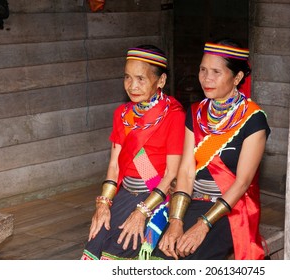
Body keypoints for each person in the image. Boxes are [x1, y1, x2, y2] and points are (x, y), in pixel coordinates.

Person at [153, 39, 271, 260]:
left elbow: (242, 183)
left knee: (192, 256)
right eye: (203, 70)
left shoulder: (253, 120)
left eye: (216, 72)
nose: (207, 78)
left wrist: (203, 225)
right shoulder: (196, 113)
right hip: (192, 200)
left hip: (230, 208)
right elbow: (187, 171)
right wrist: (176, 221)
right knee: (163, 253)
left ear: (237, 78)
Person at [81, 45, 185, 260]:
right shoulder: (123, 114)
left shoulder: (173, 115)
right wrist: (103, 205)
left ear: (161, 81)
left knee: (121, 246)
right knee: (95, 242)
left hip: (155, 196)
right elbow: (114, 165)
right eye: (127, 78)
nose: (132, 86)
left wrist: (142, 212)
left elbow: (171, 175)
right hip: (124, 193)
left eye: (141, 79)